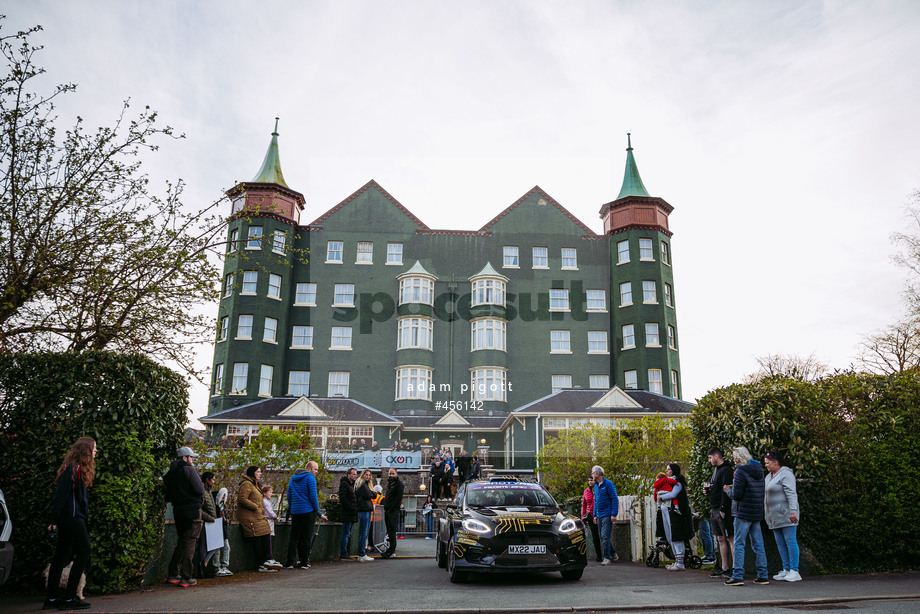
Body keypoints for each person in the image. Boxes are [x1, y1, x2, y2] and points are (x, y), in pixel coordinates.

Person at [44, 437, 96, 610]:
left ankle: (51, 599)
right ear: (86, 451)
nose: (96, 451)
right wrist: (53, 519)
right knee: (84, 551)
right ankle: (69, 598)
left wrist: (56, 519)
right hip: (72, 519)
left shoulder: (74, 468)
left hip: (69, 518)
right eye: (94, 448)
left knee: (61, 556)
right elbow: (60, 496)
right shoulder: (73, 469)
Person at [724, 446, 769, 586]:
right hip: (756, 511)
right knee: (758, 545)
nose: (733, 460)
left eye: (734, 458)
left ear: (738, 458)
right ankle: (763, 575)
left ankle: (737, 575)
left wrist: (727, 490)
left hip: (742, 512)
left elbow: (737, 495)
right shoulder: (759, 470)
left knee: (739, 544)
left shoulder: (740, 471)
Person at [164, 446, 205, 587]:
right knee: (190, 543)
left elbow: (168, 496)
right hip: (192, 512)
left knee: (182, 542)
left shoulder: (169, 474)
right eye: (191, 457)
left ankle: (173, 573)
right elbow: (200, 490)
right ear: (184, 458)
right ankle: (186, 577)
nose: (192, 460)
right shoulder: (189, 470)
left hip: (178, 512)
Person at [764, 450, 802, 582]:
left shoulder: (785, 474)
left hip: (786, 515)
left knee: (790, 541)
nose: (766, 465)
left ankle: (794, 570)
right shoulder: (769, 476)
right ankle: (786, 569)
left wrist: (793, 511)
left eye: (768, 463)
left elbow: (791, 493)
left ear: (776, 462)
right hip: (774, 517)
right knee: (780, 543)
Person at [237, 465, 279, 572]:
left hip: (257, 516)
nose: (260, 474)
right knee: (257, 536)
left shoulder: (254, 484)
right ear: (252, 473)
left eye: (260, 472)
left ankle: (269, 559)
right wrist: (255, 506)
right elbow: (242, 499)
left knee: (266, 531)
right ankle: (261, 563)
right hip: (249, 517)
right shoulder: (246, 484)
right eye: (258, 472)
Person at [285, 460, 327, 569]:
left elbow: (289, 495)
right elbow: (313, 496)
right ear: (309, 468)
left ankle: (290, 562)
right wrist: (317, 511)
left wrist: (293, 507)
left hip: (296, 512)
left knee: (294, 538)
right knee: (306, 537)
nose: (317, 472)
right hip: (308, 512)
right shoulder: (310, 478)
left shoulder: (293, 479)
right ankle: (303, 562)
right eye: (315, 469)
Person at [656, 463, 693, 571]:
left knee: (676, 536)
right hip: (668, 512)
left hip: (676, 514)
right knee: (670, 536)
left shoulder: (678, 483)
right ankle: (677, 560)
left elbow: (673, 494)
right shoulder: (667, 482)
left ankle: (680, 562)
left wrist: (661, 497)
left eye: (668, 469)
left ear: (673, 471)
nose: (666, 471)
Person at [704, 446, 734, 577]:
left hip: (722, 509)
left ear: (716, 456)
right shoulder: (716, 470)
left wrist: (723, 508)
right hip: (714, 507)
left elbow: (725, 490)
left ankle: (735, 569)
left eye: (710, 458)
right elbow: (717, 488)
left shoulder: (726, 470)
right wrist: (708, 491)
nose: (710, 461)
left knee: (730, 538)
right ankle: (724, 567)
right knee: (720, 538)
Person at [591, 465, 619, 565]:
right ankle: (613, 553)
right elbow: (596, 501)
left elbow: (614, 499)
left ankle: (607, 558)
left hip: (607, 514)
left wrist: (614, 514)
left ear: (597, 474)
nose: (592, 475)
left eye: (593, 473)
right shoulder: (596, 486)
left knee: (605, 536)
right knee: (602, 536)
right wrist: (595, 515)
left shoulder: (609, 484)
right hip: (599, 515)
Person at [197, 472, 219, 578]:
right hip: (205, 523)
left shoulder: (208, 491)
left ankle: (204, 566)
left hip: (210, 522)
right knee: (203, 546)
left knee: (213, 545)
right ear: (207, 480)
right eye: (213, 479)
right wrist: (210, 518)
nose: (214, 482)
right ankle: (202, 569)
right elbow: (199, 509)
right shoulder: (202, 491)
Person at [381, 467, 404, 558]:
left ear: (396, 474)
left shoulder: (399, 484)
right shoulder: (389, 484)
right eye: (390, 473)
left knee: (392, 530)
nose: (391, 475)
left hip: (392, 511)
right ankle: (390, 549)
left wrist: (391, 508)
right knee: (390, 531)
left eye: (392, 473)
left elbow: (398, 499)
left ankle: (391, 550)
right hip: (388, 510)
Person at [355, 468, 375, 562]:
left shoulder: (364, 484)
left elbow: (372, 495)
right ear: (362, 475)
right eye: (366, 474)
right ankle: (362, 553)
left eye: (369, 475)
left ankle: (361, 554)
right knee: (364, 533)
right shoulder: (362, 484)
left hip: (365, 510)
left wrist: (372, 493)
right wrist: (372, 492)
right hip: (363, 510)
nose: (368, 476)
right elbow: (370, 495)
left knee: (364, 533)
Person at [581, 476, 603, 562]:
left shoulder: (598, 489)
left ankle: (610, 553)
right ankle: (599, 556)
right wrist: (583, 518)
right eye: (589, 480)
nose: (590, 482)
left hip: (599, 515)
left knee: (602, 535)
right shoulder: (586, 491)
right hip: (590, 517)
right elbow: (584, 505)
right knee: (595, 536)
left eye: (592, 480)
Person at [338, 467, 358, 558]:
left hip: (351, 513)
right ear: (348, 474)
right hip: (347, 513)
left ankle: (345, 552)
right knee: (346, 533)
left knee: (348, 533)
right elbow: (343, 498)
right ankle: (343, 553)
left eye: (355, 474)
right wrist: (351, 508)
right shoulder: (344, 484)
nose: (355, 476)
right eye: (353, 474)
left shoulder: (352, 485)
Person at [213, 487, 233, 577]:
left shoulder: (222, 505)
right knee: (217, 549)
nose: (223, 499)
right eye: (222, 497)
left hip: (222, 529)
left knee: (226, 547)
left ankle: (224, 566)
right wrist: (220, 517)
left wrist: (225, 519)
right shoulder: (215, 505)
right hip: (216, 529)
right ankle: (217, 567)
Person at [261, 485, 278, 564]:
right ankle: (269, 557)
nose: (271, 494)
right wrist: (275, 517)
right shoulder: (266, 502)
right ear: (264, 493)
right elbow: (270, 512)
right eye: (270, 492)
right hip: (268, 523)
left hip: (269, 522)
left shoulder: (266, 501)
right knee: (268, 540)